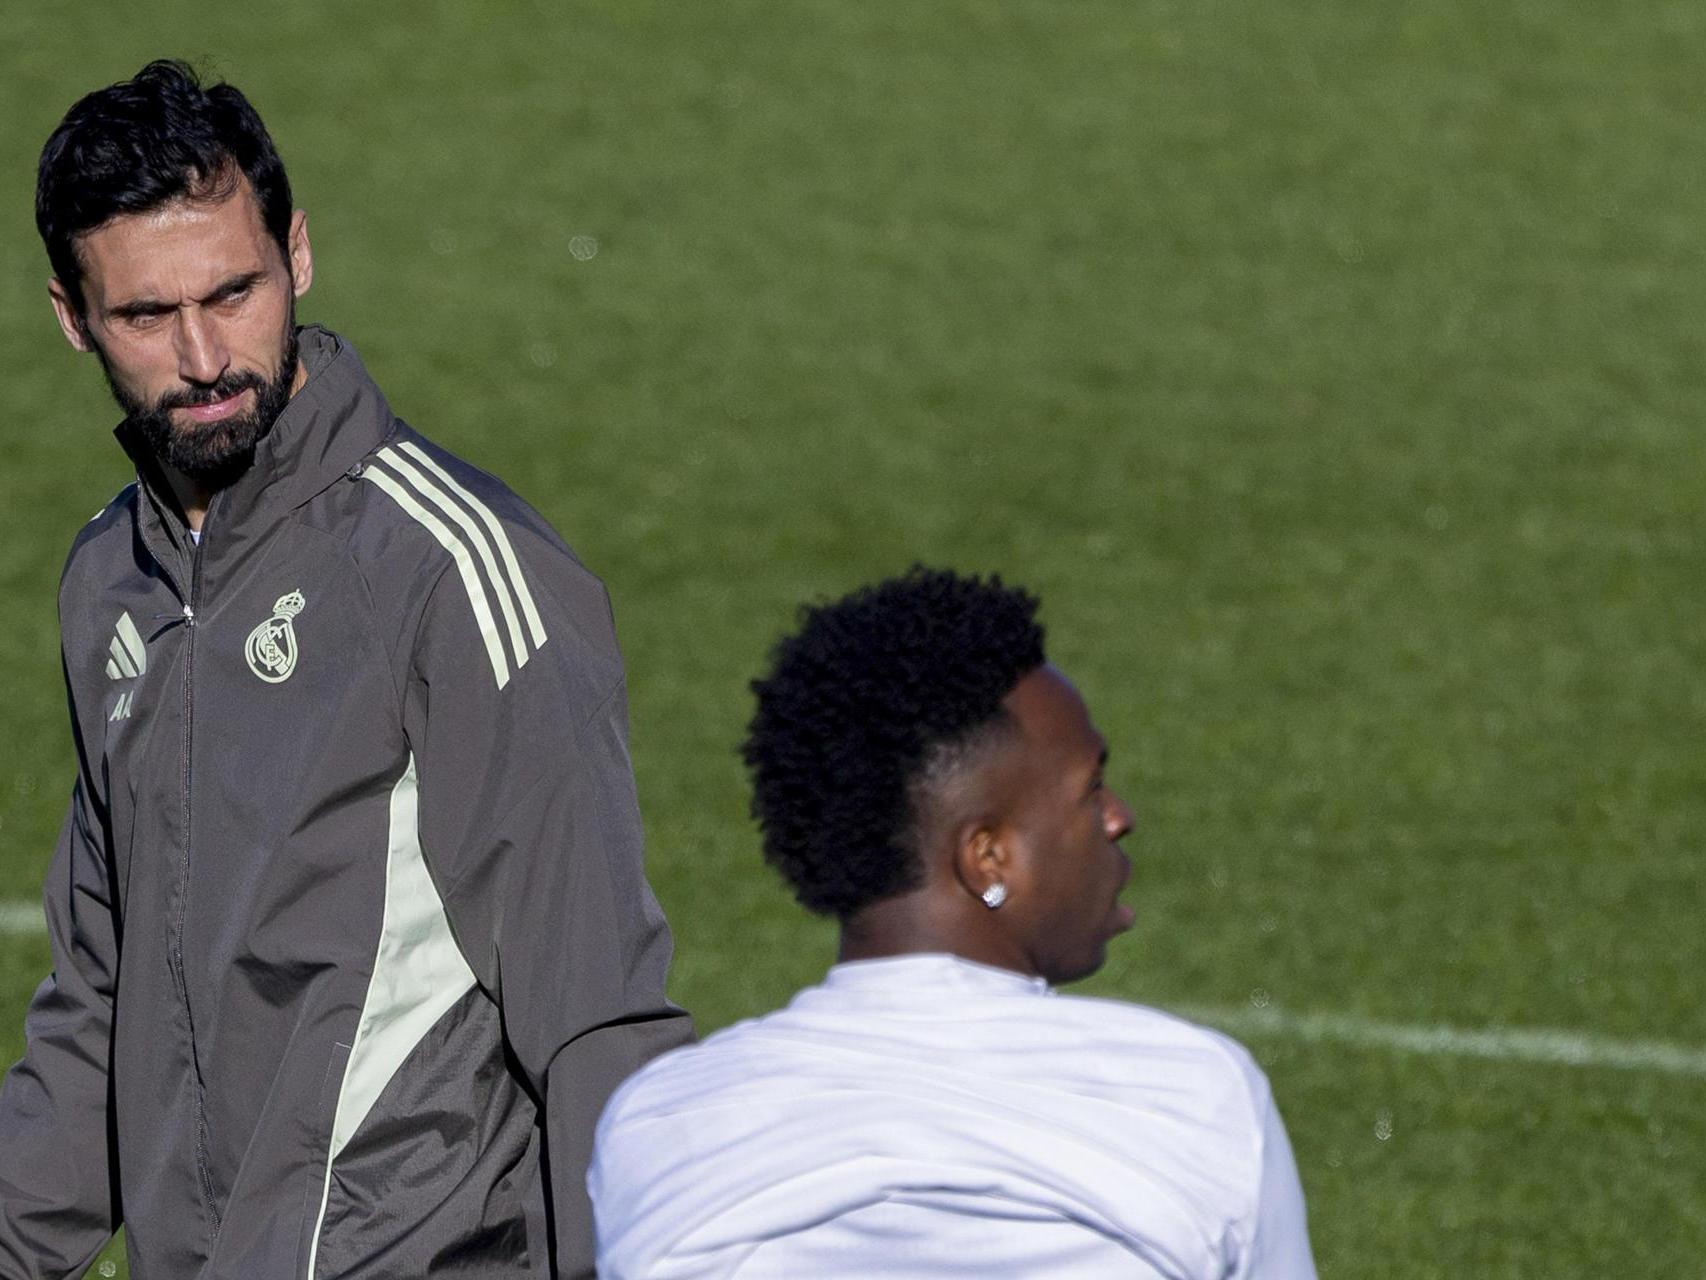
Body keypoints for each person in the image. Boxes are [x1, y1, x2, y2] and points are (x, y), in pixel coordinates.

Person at [0, 60, 692, 1278]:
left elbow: (597, 1015)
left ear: (298, 257)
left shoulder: (454, 573)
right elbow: (99, 1001)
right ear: (71, 315)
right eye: (147, 316)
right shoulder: (110, 576)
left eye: (235, 290)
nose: (207, 355)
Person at [589, 567, 1317, 1278]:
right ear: (988, 857)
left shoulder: (657, 1123)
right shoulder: (1193, 1096)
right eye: (1090, 787)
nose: (1120, 817)